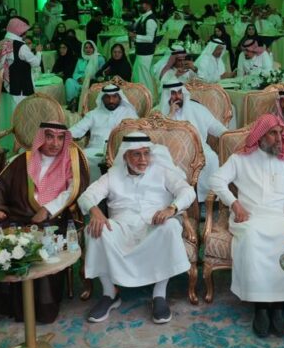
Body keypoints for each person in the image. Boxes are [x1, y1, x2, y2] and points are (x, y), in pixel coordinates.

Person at [208, 114, 284, 337]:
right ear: (260, 136)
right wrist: (235, 204)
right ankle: (260, 307)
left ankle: (280, 307)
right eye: (273, 134)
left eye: (281, 133)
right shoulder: (241, 159)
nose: (279, 138)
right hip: (252, 217)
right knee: (252, 238)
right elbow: (216, 180)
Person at [0, 123, 89, 323]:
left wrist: (48, 209)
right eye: (49, 137)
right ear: (41, 138)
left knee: (42, 246)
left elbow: (74, 190)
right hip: (16, 216)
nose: (55, 143)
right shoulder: (22, 160)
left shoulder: (71, 161)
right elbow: (0, 185)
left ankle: (40, 310)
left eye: (60, 138)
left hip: (53, 219)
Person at [79, 133, 195, 324]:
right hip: (121, 228)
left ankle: (159, 295)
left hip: (153, 225)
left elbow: (187, 191)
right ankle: (110, 294)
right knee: (94, 231)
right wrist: (95, 211)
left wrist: (171, 208)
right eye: (136, 154)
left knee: (171, 226)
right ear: (125, 156)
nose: (143, 160)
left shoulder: (161, 171)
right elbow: (86, 196)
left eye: (146, 153)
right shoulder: (112, 176)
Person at [159, 82, 227, 201]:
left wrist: (230, 135)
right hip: (172, 151)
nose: (177, 96)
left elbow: (215, 126)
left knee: (211, 158)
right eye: (173, 93)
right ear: (166, 95)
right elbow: (158, 136)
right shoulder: (158, 113)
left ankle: (206, 201)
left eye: (179, 92)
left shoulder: (196, 108)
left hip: (199, 147)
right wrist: (170, 115)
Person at [70, 84, 139, 173]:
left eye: (114, 97)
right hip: (94, 152)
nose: (111, 101)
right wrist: (63, 136)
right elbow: (77, 129)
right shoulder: (93, 114)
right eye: (107, 97)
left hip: (120, 151)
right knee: (79, 158)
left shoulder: (129, 113)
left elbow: (137, 132)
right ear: (102, 98)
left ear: (120, 97)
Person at [0, 16, 42, 107]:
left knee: (10, 110)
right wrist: (39, 52)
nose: (26, 33)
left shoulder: (3, 43)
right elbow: (36, 63)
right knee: (21, 110)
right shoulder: (21, 46)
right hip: (21, 86)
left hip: (7, 84)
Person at [130, 0, 159, 94]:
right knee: (137, 75)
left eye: (142, 4)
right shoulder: (143, 17)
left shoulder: (150, 20)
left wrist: (136, 36)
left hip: (146, 53)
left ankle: (148, 97)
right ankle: (141, 96)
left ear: (148, 5)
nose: (139, 6)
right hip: (141, 52)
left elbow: (150, 38)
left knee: (144, 77)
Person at [66, 40, 106, 106]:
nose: (88, 49)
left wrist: (89, 79)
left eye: (90, 47)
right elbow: (75, 73)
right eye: (86, 48)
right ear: (83, 49)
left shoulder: (99, 58)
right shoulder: (81, 59)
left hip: (92, 82)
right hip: (80, 82)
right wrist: (79, 78)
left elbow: (102, 74)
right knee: (69, 81)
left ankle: (78, 103)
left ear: (94, 48)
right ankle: (72, 102)